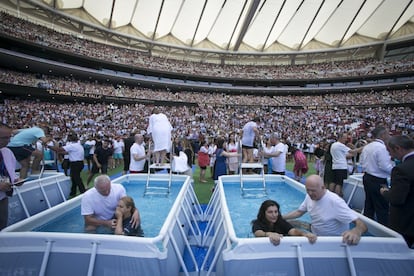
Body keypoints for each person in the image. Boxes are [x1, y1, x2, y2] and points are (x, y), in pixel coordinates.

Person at [283, 175, 367, 245]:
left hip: (330, 241)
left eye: (313, 191)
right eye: (307, 190)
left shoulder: (335, 202)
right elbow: (299, 212)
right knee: (284, 225)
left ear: (323, 187)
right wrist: (281, 217)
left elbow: (362, 225)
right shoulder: (309, 196)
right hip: (313, 230)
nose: (310, 193)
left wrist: (356, 231)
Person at [380, 135, 414, 248]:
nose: (390, 155)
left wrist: (385, 192)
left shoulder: (401, 169)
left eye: (390, 151)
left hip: (406, 223)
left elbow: (397, 199)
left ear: (398, 148)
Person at [360, 126, 394, 226]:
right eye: (387, 134)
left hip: (367, 177)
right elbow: (384, 166)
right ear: (383, 135)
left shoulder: (367, 146)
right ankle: (385, 232)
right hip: (378, 179)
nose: (389, 136)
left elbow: (362, 162)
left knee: (369, 205)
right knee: (382, 207)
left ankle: (366, 227)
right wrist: (396, 170)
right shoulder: (381, 148)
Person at [252, 199, 317, 246]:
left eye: (276, 211)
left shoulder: (280, 221)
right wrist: (269, 234)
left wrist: (304, 234)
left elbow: (293, 231)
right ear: (263, 213)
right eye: (270, 212)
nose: (274, 215)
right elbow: (257, 233)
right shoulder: (258, 222)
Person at [0, 123, 21, 230]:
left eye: (9, 137)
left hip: (3, 197)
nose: (8, 141)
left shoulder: (7, 152)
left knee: (2, 227)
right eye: (4, 138)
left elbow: (11, 172)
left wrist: (17, 180)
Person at [59, 132, 86, 196]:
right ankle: (73, 191)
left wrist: (50, 147)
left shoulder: (72, 145)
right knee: (73, 177)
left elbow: (59, 149)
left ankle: (83, 191)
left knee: (76, 177)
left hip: (75, 163)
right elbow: (68, 153)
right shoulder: (78, 145)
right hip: (79, 162)